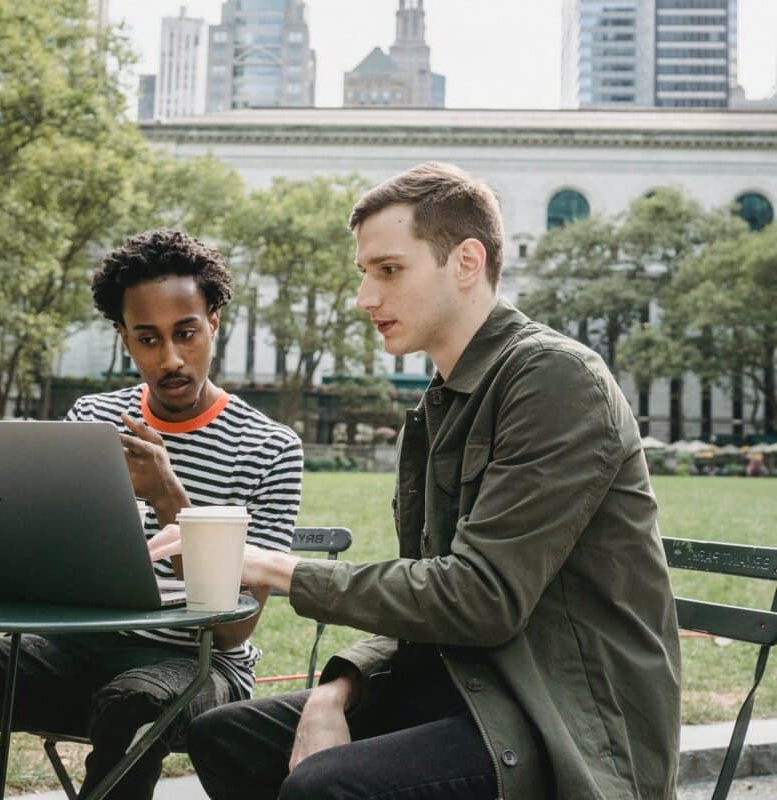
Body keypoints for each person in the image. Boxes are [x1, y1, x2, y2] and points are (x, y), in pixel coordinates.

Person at [152, 163, 681, 799]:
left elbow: (480, 596)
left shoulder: (554, 380)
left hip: (559, 720)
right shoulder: (442, 401)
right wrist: (336, 687)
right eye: (364, 274)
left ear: (465, 262)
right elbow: (432, 595)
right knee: (225, 736)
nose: (364, 297)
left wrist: (271, 567)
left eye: (389, 270)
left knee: (327, 786)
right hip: (463, 686)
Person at [0, 229, 303, 800]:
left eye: (186, 333)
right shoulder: (94, 418)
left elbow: (232, 630)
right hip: (77, 649)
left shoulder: (270, 446)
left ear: (214, 324)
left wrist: (167, 495)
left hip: (198, 666)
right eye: (148, 339)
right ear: (124, 338)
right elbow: (54, 568)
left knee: (134, 704)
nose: (171, 359)